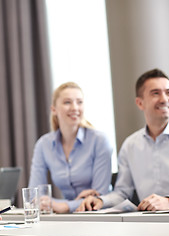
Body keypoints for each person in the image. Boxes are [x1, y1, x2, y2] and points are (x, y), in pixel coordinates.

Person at [77, 68, 169, 212]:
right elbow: (122, 193)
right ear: (140, 103)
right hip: (147, 225)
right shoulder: (130, 145)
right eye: (156, 93)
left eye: (168, 92)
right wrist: (100, 201)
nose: (164, 99)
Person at [28, 82, 112, 213]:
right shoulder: (43, 145)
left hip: (98, 214)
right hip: (68, 217)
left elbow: (100, 196)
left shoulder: (100, 141)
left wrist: (64, 206)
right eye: (67, 102)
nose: (75, 108)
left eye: (79, 102)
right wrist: (71, 204)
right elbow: (34, 195)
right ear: (54, 109)